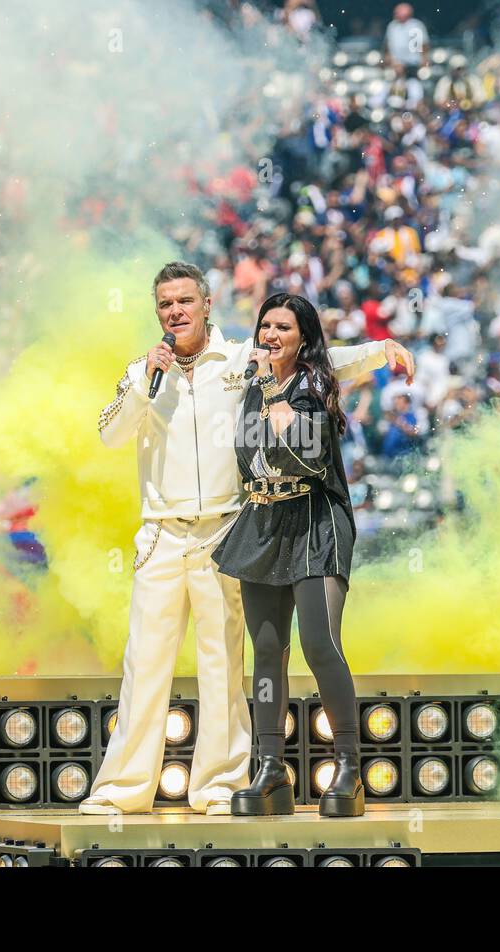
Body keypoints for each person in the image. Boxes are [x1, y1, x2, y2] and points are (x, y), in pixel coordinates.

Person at [84, 262, 415, 816]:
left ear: (207, 304)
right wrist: (146, 381)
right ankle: (122, 790)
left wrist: (381, 350)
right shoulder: (142, 371)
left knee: (224, 664)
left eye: (185, 301)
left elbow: (315, 361)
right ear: (156, 311)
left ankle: (218, 784)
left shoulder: (241, 360)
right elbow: (109, 432)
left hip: (226, 528)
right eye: (165, 304)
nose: (176, 312)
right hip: (161, 535)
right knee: (144, 662)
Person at [212, 293, 369, 817]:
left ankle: (348, 766)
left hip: (315, 520)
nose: (271, 335)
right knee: (266, 648)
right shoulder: (253, 386)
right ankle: (270, 769)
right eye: (265, 326)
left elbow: (305, 452)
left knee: (319, 642)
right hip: (263, 521)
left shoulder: (313, 384)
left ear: (303, 336)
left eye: (283, 327)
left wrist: (384, 347)